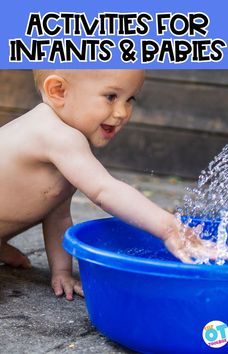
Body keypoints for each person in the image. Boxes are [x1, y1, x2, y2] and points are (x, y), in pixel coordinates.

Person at [0, 69, 216, 300]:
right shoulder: (55, 135)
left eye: (129, 99)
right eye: (111, 97)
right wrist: (169, 228)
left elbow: (57, 215)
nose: (122, 112)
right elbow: (104, 190)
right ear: (58, 91)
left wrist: (62, 271)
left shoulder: (66, 141)